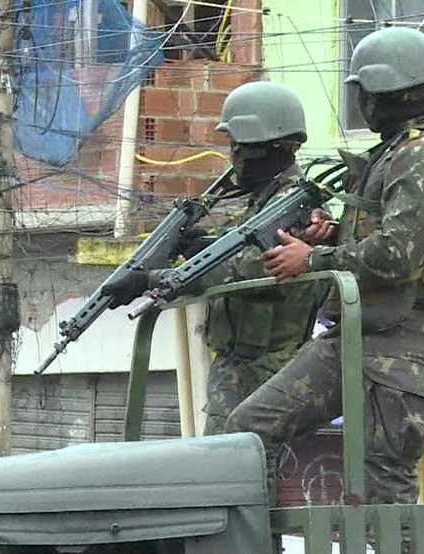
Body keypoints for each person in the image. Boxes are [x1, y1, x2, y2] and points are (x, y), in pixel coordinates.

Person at [224, 26, 424, 505]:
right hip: (357, 333)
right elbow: (379, 236)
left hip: (398, 347)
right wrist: (330, 233)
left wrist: (314, 259)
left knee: (383, 490)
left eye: (364, 91)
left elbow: (398, 252)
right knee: (248, 429)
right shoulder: (398, 150)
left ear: (387, 89)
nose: (362, 104)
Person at [101, 81, 327, 435]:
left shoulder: (297, 208)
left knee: (236, 469)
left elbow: (241, 270)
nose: (232, 156)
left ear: (261, 148)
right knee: (233, 470)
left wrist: (150, 281)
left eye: (237, 146)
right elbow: (235, 249)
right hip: (244, 364)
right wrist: (198, 243)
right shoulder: (264, 203)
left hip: (269, 366)